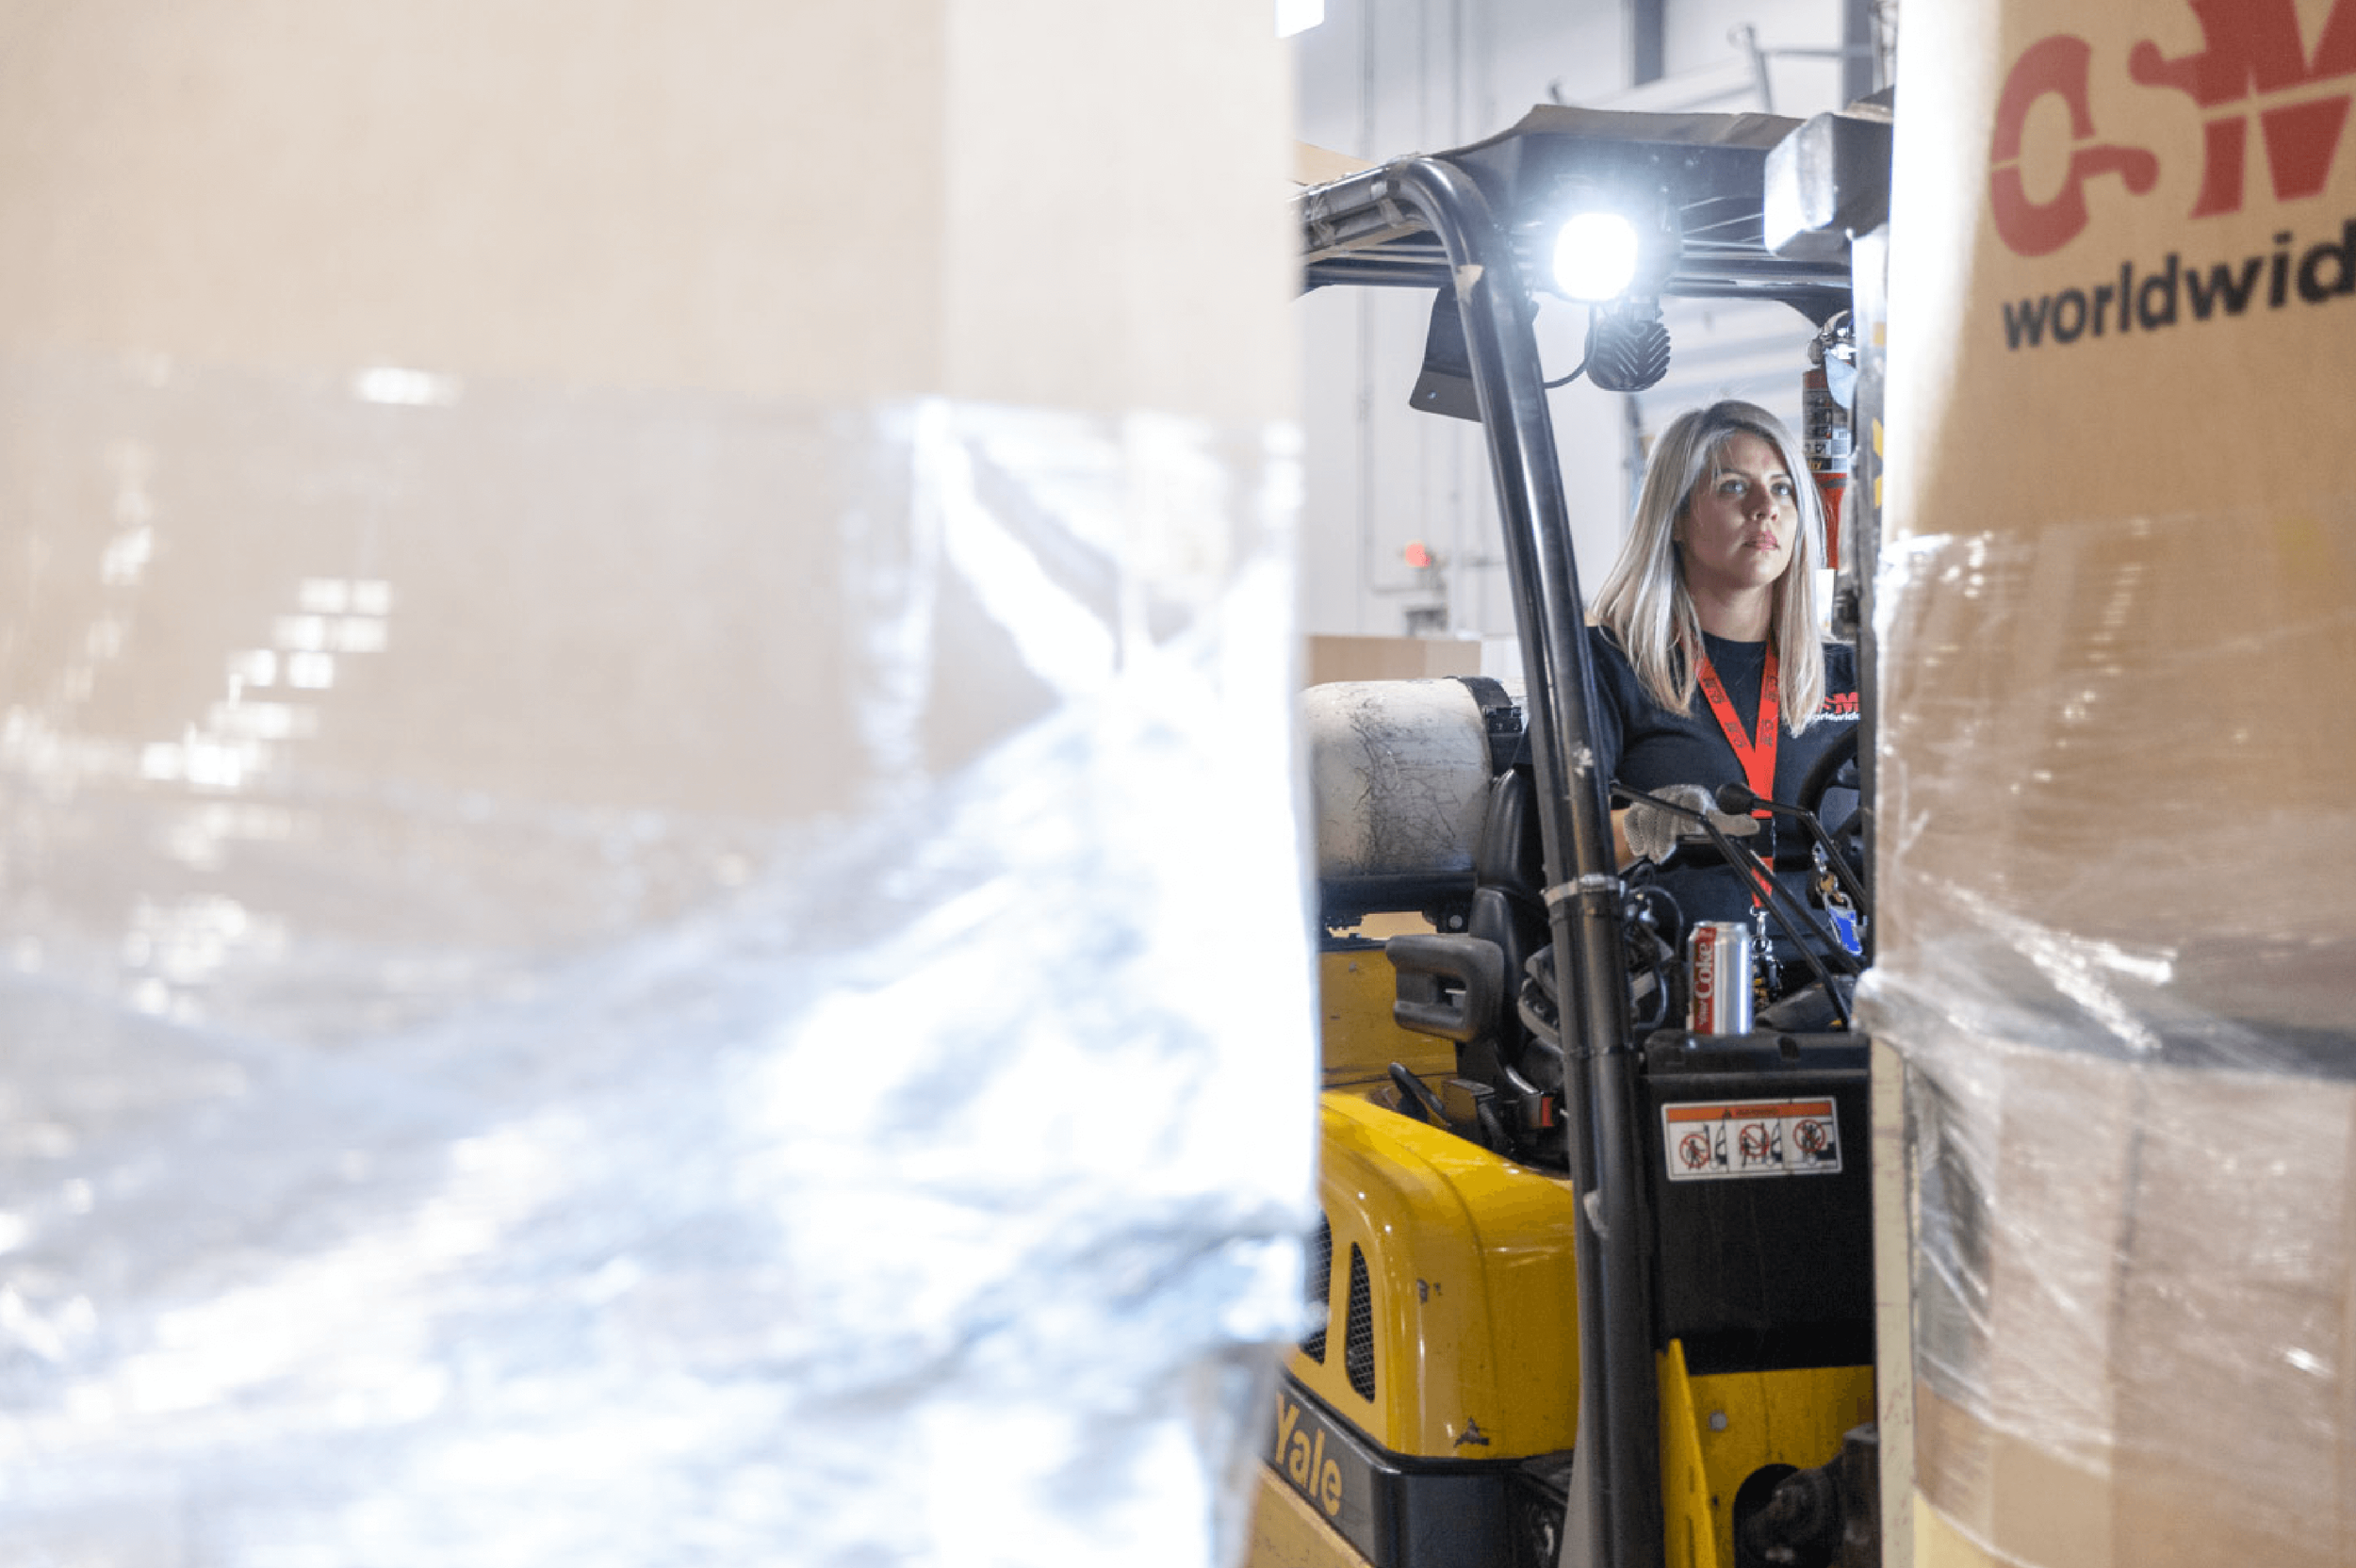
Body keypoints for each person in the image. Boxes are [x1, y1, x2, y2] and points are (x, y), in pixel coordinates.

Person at [1585, 399, 1861, 985]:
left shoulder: (1850, 677)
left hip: (1833, 995)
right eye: (1735, 487)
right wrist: (1639, 827)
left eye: (1783, 489)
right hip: (1672, 994)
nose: (1766, 509)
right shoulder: (1607, 666)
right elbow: (1553, 850)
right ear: (1678, 518)